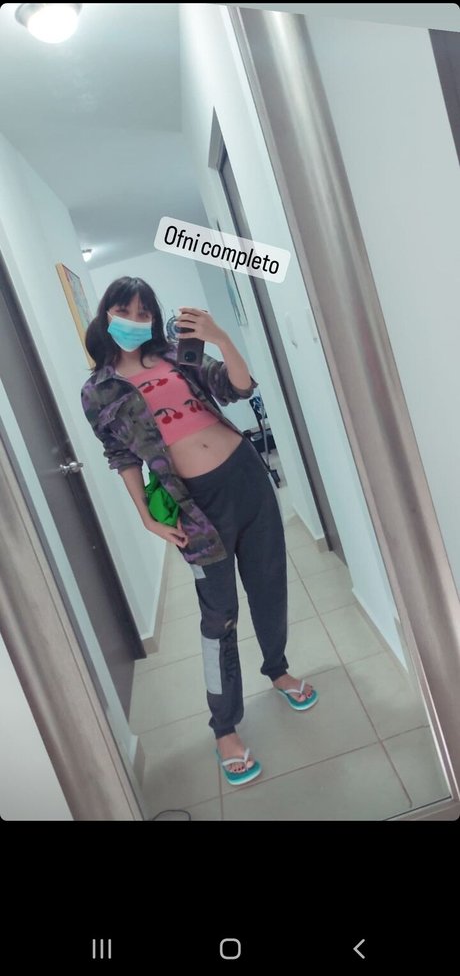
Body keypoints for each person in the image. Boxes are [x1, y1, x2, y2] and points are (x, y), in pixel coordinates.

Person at [81, 276, 318, 787]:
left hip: (246, 478)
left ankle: (277, 669)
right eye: (124, 310)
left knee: (269, 585)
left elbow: (238, 388)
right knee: (218, 617)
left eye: (144, 312)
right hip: (194, 508)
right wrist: (146, 516)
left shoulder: (178, 356)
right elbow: (120, 455)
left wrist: (220, 338)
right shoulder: (98, 390)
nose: (134, 321)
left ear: (154, 319)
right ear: (106, 315)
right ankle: (224, 727)